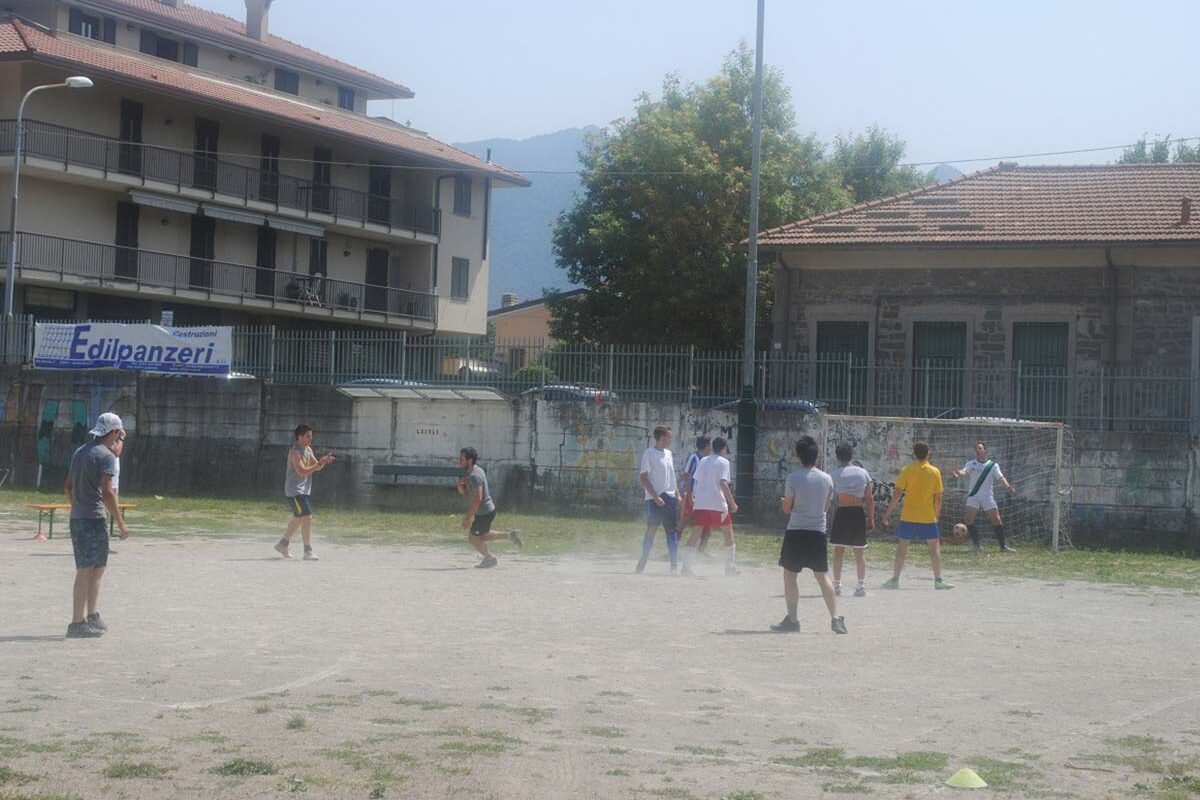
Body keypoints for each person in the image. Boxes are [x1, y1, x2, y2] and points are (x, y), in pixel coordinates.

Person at [62, 412, 130, 638]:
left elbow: (68, 486)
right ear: (113, 432)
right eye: (118, 433)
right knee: (86, 570)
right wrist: (120, 523)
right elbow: (108, 493)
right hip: (93, 519)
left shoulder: (80, 452)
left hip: (79, 517)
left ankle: (92, 615)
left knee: (97, 568)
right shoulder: (106, 456)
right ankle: (76, 622)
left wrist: (77, 506)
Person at [771, 436, 847, 634]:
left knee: (790, 576)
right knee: (822, 576)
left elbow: (787, 509)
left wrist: (785, 503)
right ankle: (836, 618)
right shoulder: (827, 479)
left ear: (798, 456)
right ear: (816, 456)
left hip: (796, 531)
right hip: (817, 532)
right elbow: (826, 508)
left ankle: (793, 620)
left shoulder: (793, 478)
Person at [881, 441, 954, 590]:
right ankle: (938, 580)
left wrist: (887, 513)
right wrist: (936, 516)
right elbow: (938, 498)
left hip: (908, 515)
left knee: (902, 549)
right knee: (934, 550)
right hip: (928, 516)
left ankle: (895, 579)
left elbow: (897, 494)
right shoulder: (935, 471)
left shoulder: (907, 470)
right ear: (928, 454)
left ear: (913, 454)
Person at [275, 424, 334, 561]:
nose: (310, 438)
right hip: (294, 491)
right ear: (299, 437)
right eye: (308, 436)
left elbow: (316, 467)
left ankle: (283, 544)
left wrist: (323, 462)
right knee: (307, 516)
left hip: (304, 491)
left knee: (300, 518)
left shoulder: (308, 449)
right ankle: (307, 551)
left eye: (311, 435)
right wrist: (319, 464)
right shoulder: (295, 452)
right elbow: (302, 472)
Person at [682, 437, 739, 577]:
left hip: (701, 502)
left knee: (695, 533)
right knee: (728, 532)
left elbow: (697, 480)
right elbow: (724, 484)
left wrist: (694, 496)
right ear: (724, 449)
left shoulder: (703, 460)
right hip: (717, 504)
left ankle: (686, 567)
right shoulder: (724, 462)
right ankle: (729, 568)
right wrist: (732, 504)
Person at [456, 447, 522, 568]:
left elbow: (477, 500)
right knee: (482, 535)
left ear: (469, 461)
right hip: (486, 511)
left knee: (473, 538)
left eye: (461, 459)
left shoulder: (475, 476)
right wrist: (461, 484)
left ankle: (489, 559)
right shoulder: (475, 471)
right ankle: (510, 535)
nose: (459, 461)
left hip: (484, 512)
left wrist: (467, 518)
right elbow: (464, 493)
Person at [953, 441, 1017, 553]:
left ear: (985, 451)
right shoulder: (971, 463)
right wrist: (959, 472)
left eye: (980, 448)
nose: (978, 450)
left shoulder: (992, 465)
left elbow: (1001, 477)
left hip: (987, 496)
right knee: (968, 520)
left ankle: (1003, 547)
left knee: (996, 519)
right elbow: (964, 471)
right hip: (973, 496)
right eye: (976, 449)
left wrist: (1008, 487)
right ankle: (978, 546)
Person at [829, 443, 875, 598]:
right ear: (852, 456)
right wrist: (871, 518)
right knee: (859, 553)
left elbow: (829, 498)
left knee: (838, 552)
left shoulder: (834, 474)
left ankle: (836, 585)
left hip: (842, 512)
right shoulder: (863, 473)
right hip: (857, 513)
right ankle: (861, 586)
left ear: (837, 457)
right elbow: (869, 498)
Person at [636, 426, 680, 574]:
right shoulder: (649, 454)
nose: (670, 439)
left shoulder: (668, 454)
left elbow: (672, 476)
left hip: (669, 497)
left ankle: (674, 566)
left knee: (671, 530)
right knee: (651, 530)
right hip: (654, 499)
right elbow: (643, 478)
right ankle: (643, 561)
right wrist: (655, 497)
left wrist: (677, 494)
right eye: (669, 436)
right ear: (662, 437)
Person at [678, 436, 713, 558]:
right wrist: (688, 495)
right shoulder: (694, 458)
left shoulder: (709, 460)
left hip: (704, 497)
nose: (711, 448)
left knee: (707, 524)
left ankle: (701, 550)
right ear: (706, 446)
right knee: (683, 521)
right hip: (691, 495)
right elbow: (687, 475)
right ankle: (674, 547)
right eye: (710, 445)